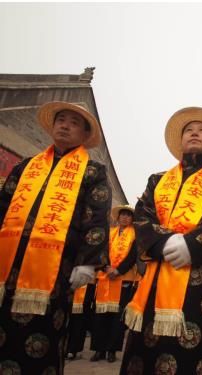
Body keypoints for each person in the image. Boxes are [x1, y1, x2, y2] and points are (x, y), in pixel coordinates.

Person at [120, 107, 202, 374]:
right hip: (157, 271)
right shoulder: (158, 180)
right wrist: (164, 242)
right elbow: (142, 215)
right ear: (181, 140)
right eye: (189, 130)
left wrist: (193, 244)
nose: (194, 134)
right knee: (147, 352)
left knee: (199, 353)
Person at [0, 101, 111, 373]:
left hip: (56, 266)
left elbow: (96, 217)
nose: (65, 125)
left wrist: (88, 261)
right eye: (61, 119)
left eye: (74, 123)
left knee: (42, 335)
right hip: (7, 262)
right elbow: (4, 205)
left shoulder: (93, 172)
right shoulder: (27, 167)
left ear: (85, 135)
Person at [90, 205, 138, 363]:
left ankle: (111, 350)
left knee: (117, 317)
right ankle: (99, 350)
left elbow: (133, 256)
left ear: (132, 219)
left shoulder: (135, 235)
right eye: (122, 215)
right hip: (105, 277)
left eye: (128, 215)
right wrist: (106, 267)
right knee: (100, 316)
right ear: (118, 217)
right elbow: (101, 251)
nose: (125, 218)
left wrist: (118, 270)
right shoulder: (109, 233)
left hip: (123, 278)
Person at [66, 283, 96, 360]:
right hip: (67, 283)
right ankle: (65, 348)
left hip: (85, 286)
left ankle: (73, 349)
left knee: (79, 320)